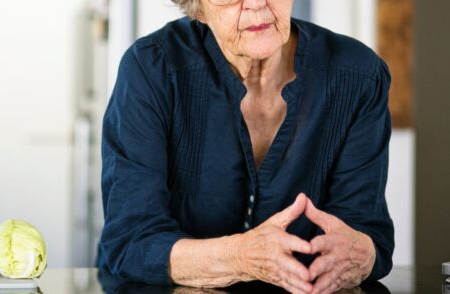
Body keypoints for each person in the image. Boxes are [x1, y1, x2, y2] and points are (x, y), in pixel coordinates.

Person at [98, 0, 394, 293]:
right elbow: (132, 241)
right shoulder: (152, 68)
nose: (255, 3)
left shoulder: (359, 77)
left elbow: (367, 233)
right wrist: (241, 257)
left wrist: (361, 253)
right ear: (197, 7)